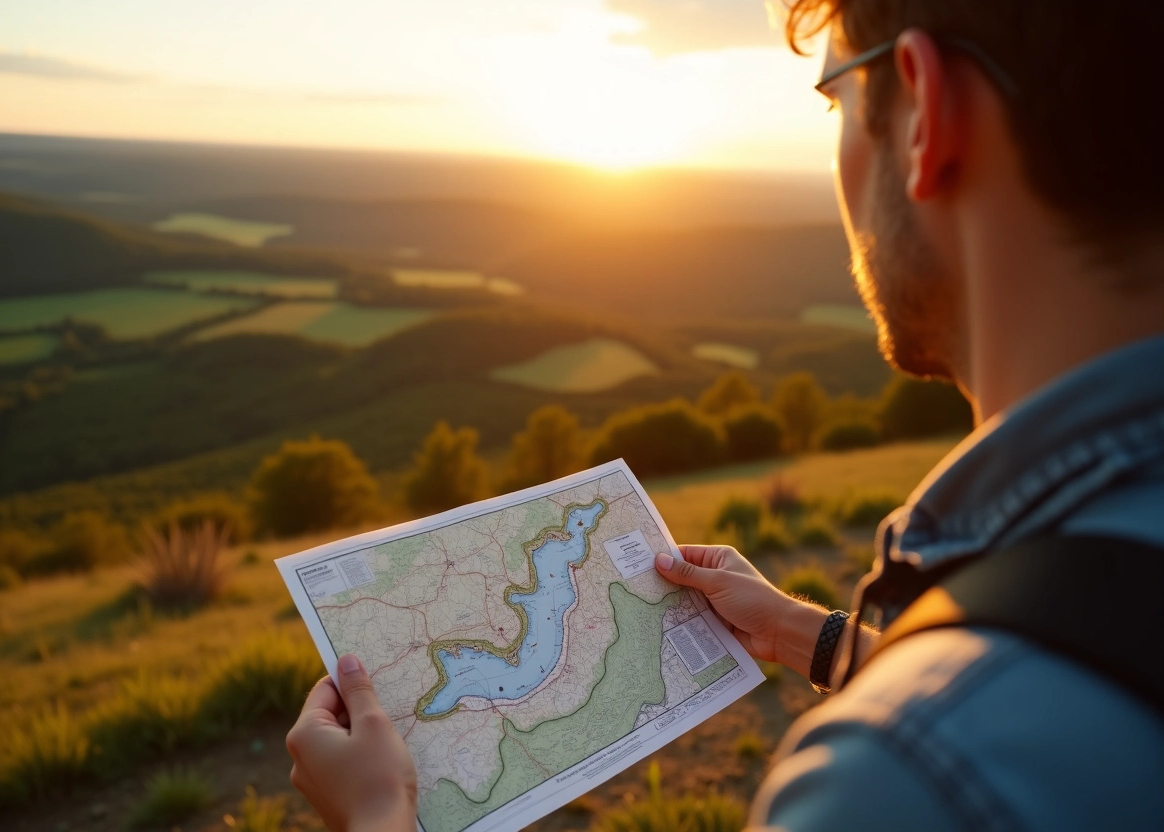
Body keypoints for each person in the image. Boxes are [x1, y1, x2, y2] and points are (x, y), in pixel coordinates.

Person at [286, 0, 1164, 828]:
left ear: (926, 112)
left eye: (836, 99)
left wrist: (379, 817)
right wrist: (812, 638)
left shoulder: (908, 777)